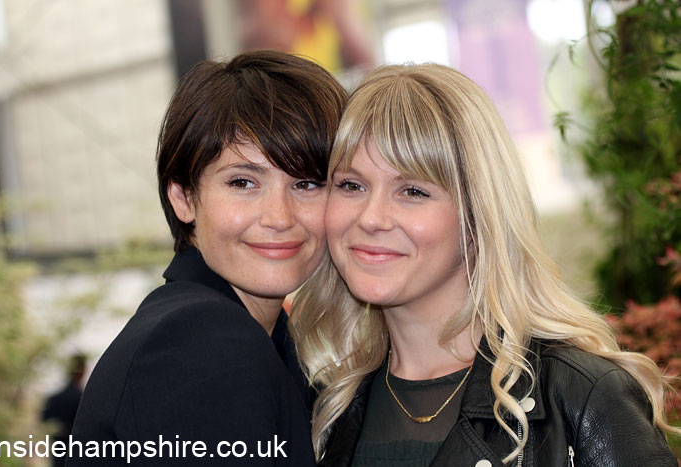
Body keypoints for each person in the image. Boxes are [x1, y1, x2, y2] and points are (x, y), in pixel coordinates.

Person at [291, 64, 680, 466]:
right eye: (351, 185)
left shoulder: (582, 396)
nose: (371, 218)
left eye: (412, 191)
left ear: (478, 215)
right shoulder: (325, 407)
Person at [69, 50, 346, 466]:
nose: (280, 217)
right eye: (242, 182)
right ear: (183, 198)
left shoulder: (261, 336)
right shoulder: (201, 340)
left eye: (307, 184)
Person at [42, 353, 86, 467]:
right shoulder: (83, 400)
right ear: (82, 371)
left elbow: (45, 422)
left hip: (58, 456)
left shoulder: (54, 399)